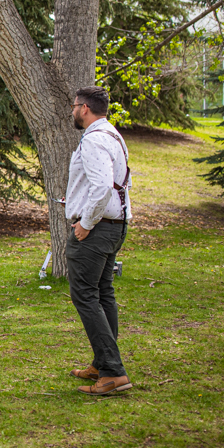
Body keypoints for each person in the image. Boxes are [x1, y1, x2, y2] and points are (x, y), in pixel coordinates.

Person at [65, 86, 133, 395]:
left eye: (75, 106)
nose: (72, 110)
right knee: (103, 292)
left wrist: (86, 223)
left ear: (85, 108)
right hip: (115, 225)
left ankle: (113, 372)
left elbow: (103, 186)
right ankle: (102, 364)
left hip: (97, 229)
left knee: (85, 295)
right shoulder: (114, 135)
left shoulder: (93, 139)